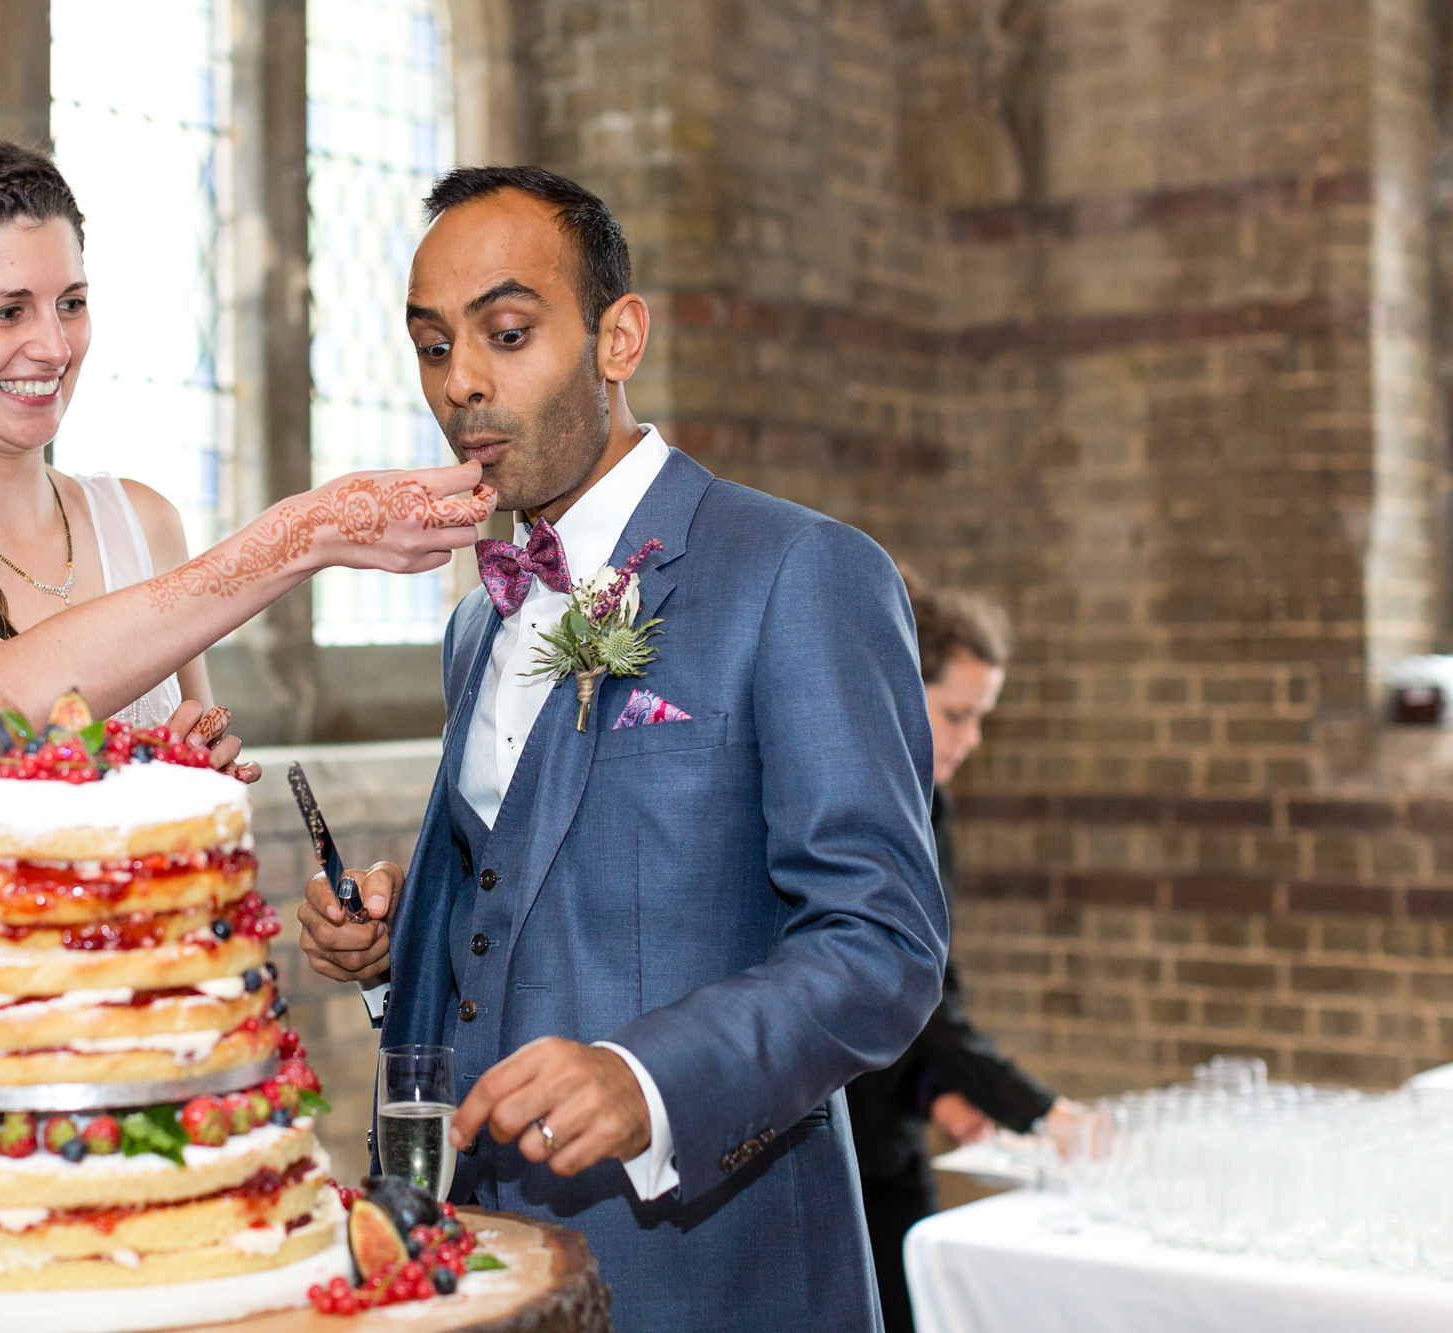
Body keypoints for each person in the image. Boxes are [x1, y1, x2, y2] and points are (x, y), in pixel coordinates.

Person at [0, 136, 493, 1224]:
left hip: (155, 1074)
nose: (51, 345)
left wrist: (181, 790)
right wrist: (299, 534)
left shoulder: (143, 522)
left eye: (71, 302)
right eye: (6, 310)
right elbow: (3, 704)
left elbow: (196, 861)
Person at [296, 166, 947, 1332]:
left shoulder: (799, 572)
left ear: (618, 336)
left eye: (506, 332)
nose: (463, 385)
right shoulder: (472, 622)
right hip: (487, 1262)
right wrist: (401, 945)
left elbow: (882, 946)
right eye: (433, 345)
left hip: (715, 1270)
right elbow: (523, 900)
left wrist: (647, 1080)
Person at [845, 579, 1077, 1333]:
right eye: (959, 715)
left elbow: (919, 981)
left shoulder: (927, 797)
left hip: (889, 1123)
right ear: (901, 686)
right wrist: (1037, 1108)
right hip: (838, 1137)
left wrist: (932, 1095)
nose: (971, 740)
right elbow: (906, 986)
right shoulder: (861, 794)